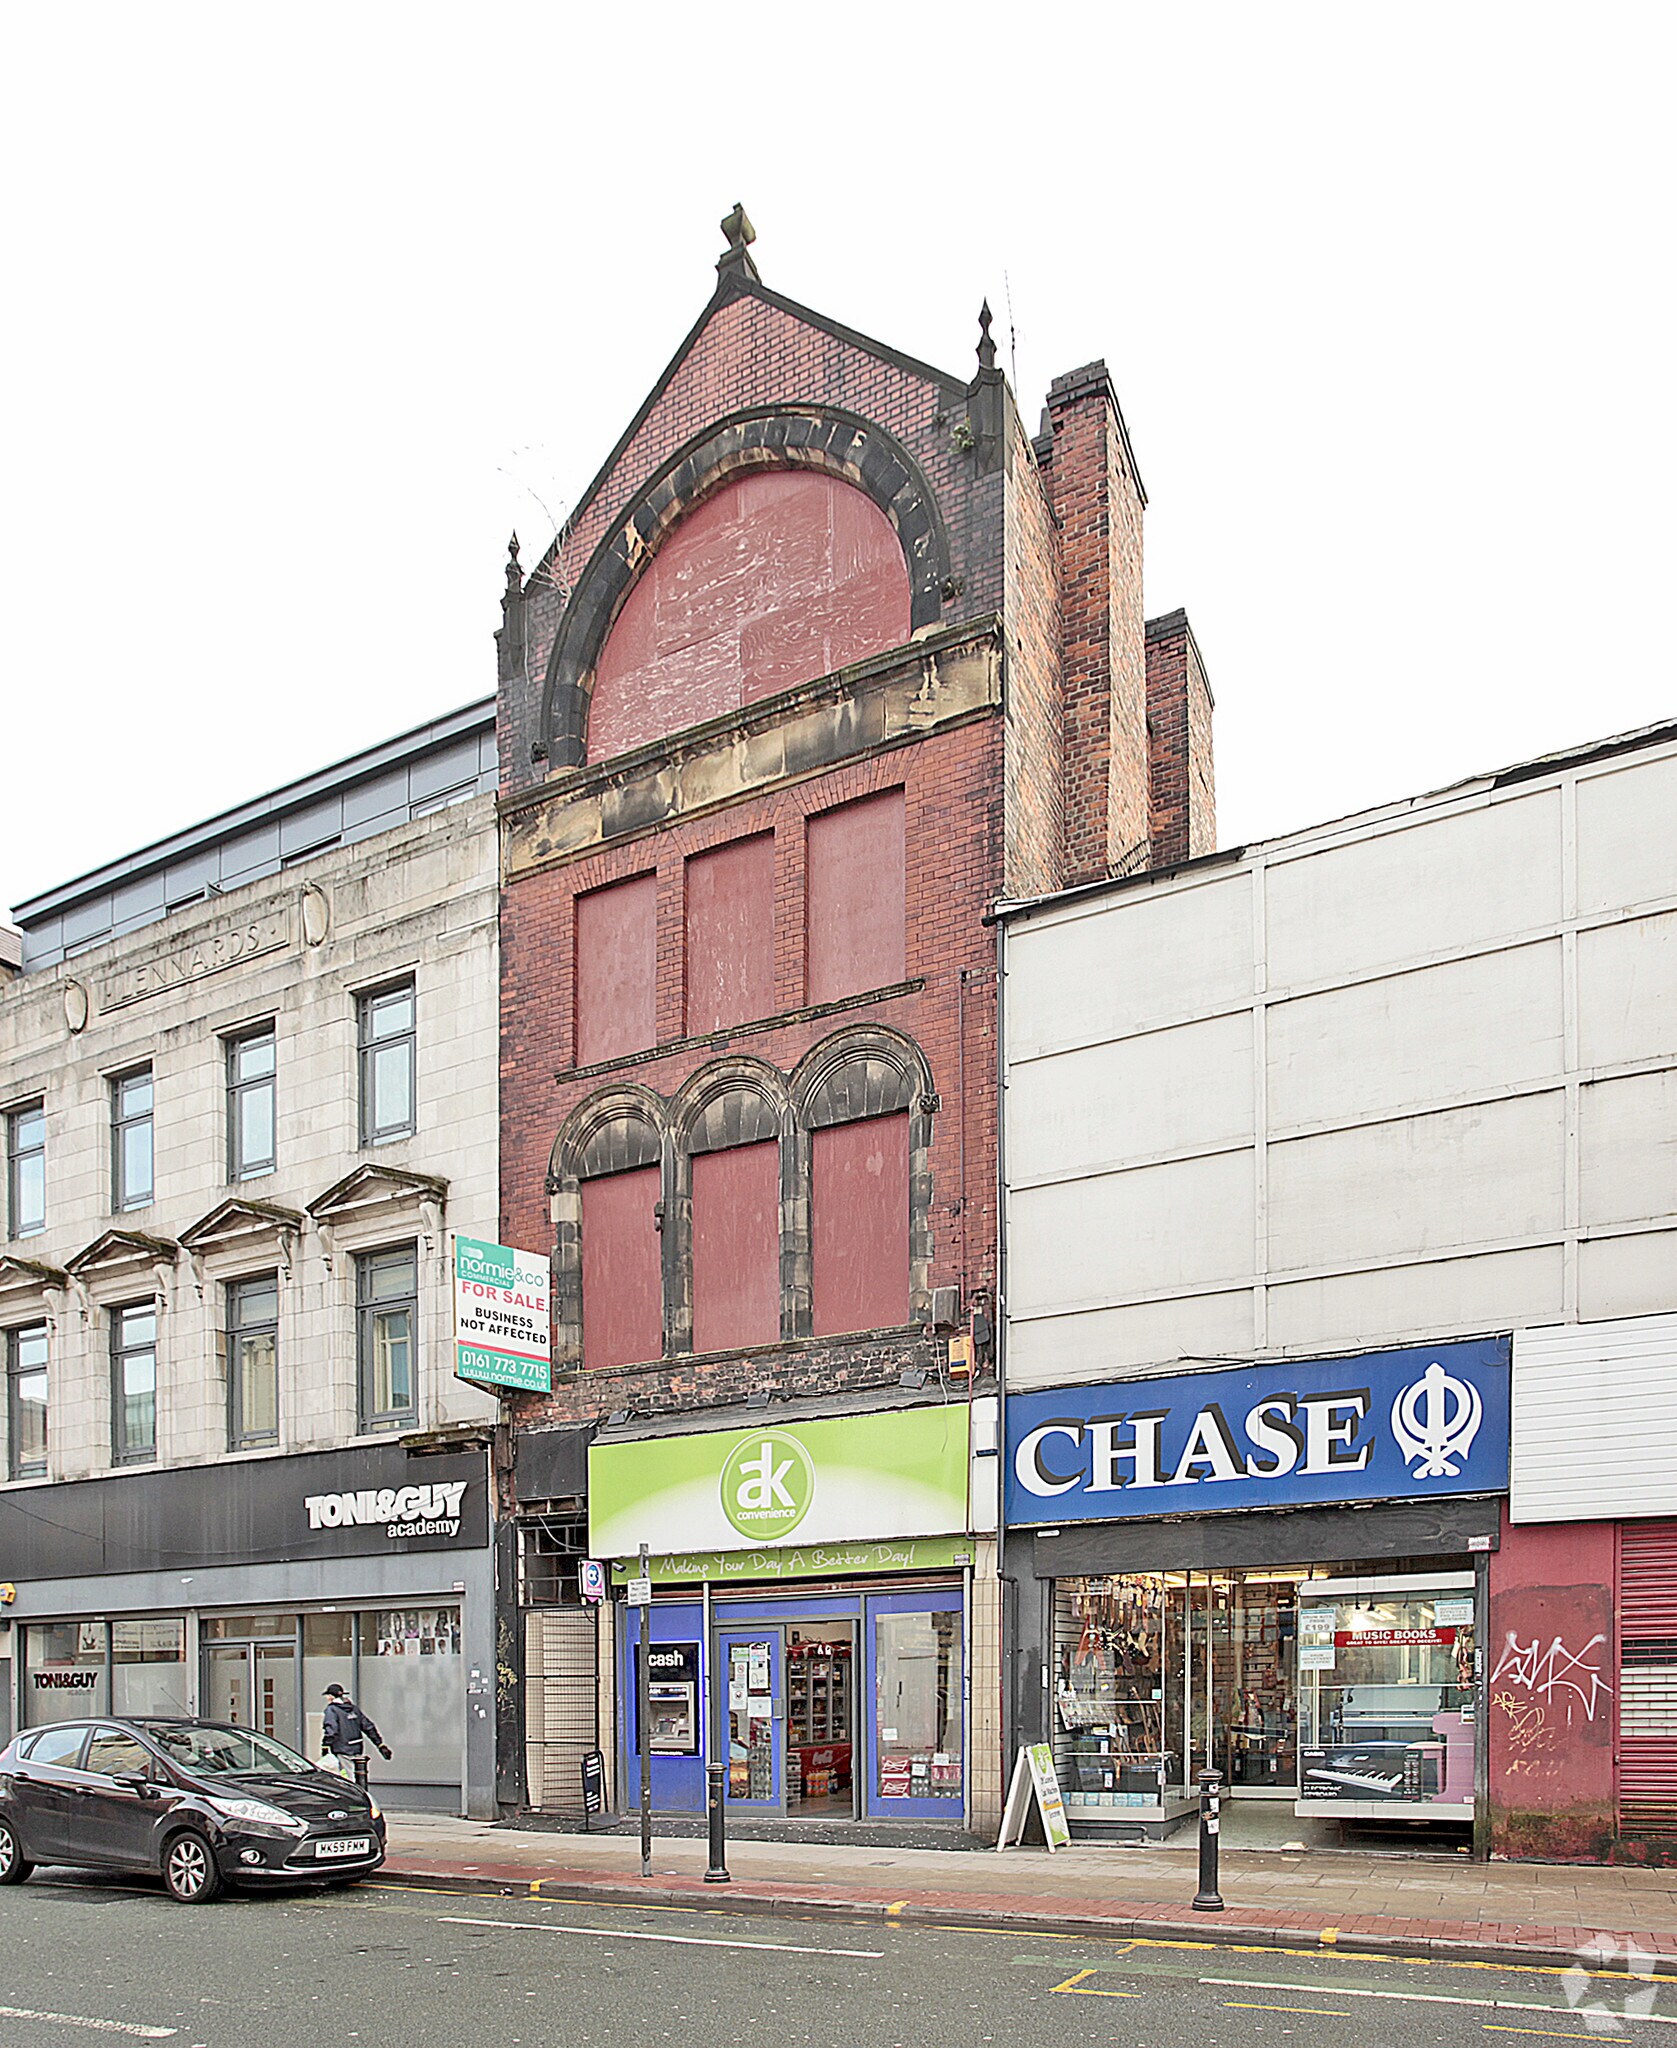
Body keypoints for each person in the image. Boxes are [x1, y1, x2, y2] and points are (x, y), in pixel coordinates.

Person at [321, 1682, 391, 1789]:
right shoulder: (353, 1709)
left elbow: (331, 1730)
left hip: (342, 1749)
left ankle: (353, 1795)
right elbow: (368, 1727)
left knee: (347, 1779)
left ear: (331, 1696)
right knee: (357, 1775)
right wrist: (380, 1744)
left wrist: (325, 1746)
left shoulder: (332, 1710)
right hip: (357, 1747)